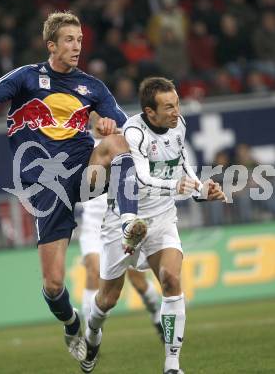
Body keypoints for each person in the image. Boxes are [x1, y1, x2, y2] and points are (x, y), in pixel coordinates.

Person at [0, 11, 147, 363]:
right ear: (51, 45)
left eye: (79, 39)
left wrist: (107, 124)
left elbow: (127, 128)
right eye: (69, 40)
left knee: (120, 143)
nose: (77, 46)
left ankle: (128, 220)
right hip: (45, 185)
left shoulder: (92, 87)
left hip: (82, 169)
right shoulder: (26, 78)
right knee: (53, 284)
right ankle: (73, 323)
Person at [82, 77, 226, 374]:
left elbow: (184, 166)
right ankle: (91, 334)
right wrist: (181, 186)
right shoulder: (134, 132)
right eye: (169, 107)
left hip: (162, 217)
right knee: (107, 300)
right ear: (150, 112)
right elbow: (144, 178)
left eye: (177, 104)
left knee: (171, 280)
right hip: (122, 216)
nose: (177, 111)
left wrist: (202, 189)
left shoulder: (178, 126)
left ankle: (172, 365)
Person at [80, 184, 164, 343]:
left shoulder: (121, 160)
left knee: (138, 281)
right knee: (93, 272)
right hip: (94, 220)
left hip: (120, 216)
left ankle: (156, 315)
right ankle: (90, 336)